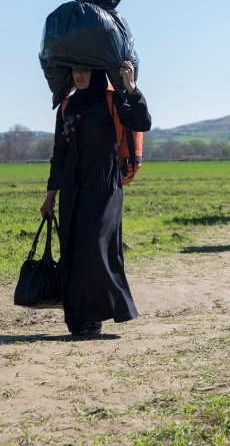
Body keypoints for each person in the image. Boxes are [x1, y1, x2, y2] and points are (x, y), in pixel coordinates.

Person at [41, 60, 151, 337]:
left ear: (97, 72)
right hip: (72, 188)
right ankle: (82, 320)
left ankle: (108, 308)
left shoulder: (112, 99)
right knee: (73, 252)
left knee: (96, 245)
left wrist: (131, 88)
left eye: (85, 70)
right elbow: (59, 154)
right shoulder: (66, 106)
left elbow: (142, 122)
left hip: (105, 185)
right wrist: (50, 197)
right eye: (75, 70)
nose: (78, 75)